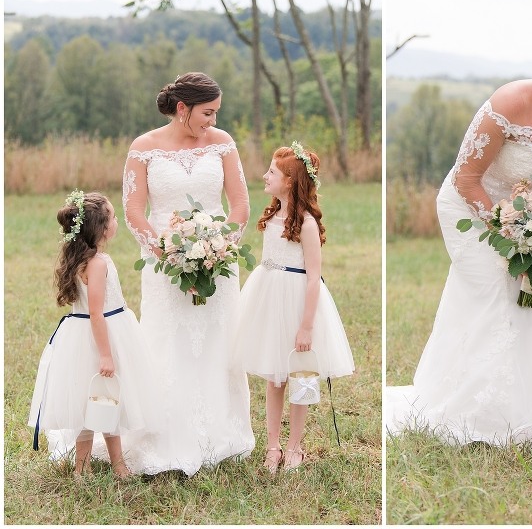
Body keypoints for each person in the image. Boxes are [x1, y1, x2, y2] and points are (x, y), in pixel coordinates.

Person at [386, 29, 532, 447]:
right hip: (470, 207)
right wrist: (510, 231)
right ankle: (481, 411)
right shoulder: (511, 101)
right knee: (495, 289)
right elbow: (466, 177)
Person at [120, 72, 255, 475]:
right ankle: (165, 435)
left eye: (216, 113)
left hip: (218, 261)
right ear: (183, 109)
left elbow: (240, 203)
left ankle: (220, 434)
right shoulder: (144, 148)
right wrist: (167, 252)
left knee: (219, 339)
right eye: (207, 113)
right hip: (166, 266)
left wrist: (222, 246)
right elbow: (133, 211)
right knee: (169, 341)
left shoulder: (223, 143)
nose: (212, 120)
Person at [234, 143, 355, 473]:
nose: (264, 175)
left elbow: (314, 278)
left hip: (298, 301)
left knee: (301, 374)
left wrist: (306, 326)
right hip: (269, 297)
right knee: (275, 378)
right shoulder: (272, 216)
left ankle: (294, 446)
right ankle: (272, 445)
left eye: (271, 172)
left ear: (289, 180)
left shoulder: (307, 224)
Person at [28, 191, 162, 478]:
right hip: (103, 335)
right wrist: (105, 353)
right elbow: (96, 312)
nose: (116, 221)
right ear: (101, 228)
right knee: (106, 398)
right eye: (113, 217)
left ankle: (96, 465)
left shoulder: (86, 258)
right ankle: (100, 465)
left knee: (92, 400)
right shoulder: (98, 263)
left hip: (83, 334)